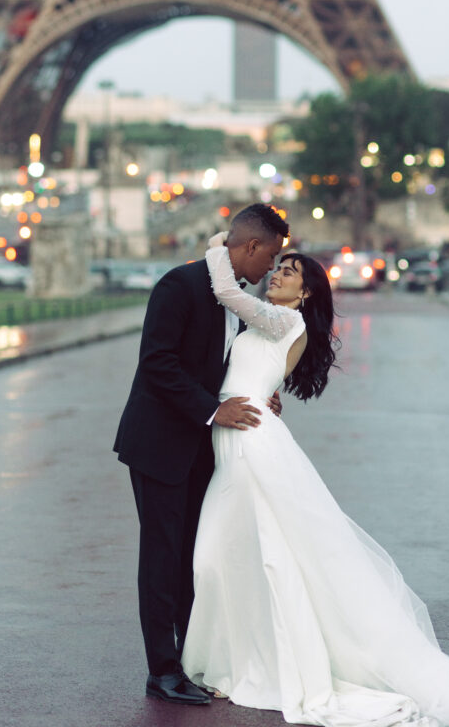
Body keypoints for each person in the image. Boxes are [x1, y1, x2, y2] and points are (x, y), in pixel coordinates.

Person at [182, 237, 449, 727]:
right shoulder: (265, 320)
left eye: (290, 272)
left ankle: (269, 662)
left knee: (247, 555)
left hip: (251, 442)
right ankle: (242, 657)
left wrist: (215, 246)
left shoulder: (284, 320)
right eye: (279, 267)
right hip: (239, 432)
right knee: (230, 557)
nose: (278, 274)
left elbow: (225, 289)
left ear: (305, 295)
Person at [113, 203, 289, 706]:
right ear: (249, 247)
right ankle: (161, 672)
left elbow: (225, 367)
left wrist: (256, 396)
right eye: (270, 257)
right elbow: (157, 364)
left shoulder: (234, 299)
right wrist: (215, 410)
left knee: (193, 556)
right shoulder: (180, 284)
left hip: (200, 448)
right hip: (160, 445)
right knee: (162, 558)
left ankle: (189, 663)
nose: (271, 270)